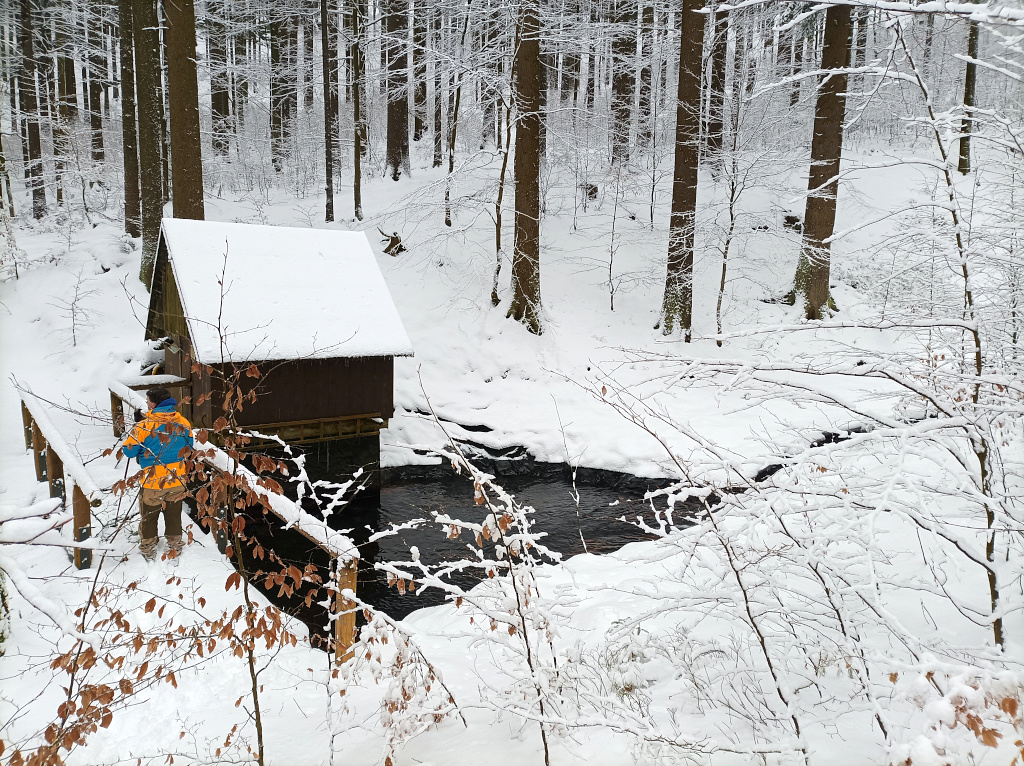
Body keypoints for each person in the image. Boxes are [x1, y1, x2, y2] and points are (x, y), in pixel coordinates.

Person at [122, 386, 194, 560]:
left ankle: (148, 548)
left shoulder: (145, 425)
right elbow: (189, 447)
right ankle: (175, 544)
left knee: (149, 515)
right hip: (176, 477)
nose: (146, 404)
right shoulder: (183, 422)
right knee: (174, 513)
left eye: (147, 401)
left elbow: (129, 451)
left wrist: (137, 430)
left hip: (152, 480)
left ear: (154, 404)